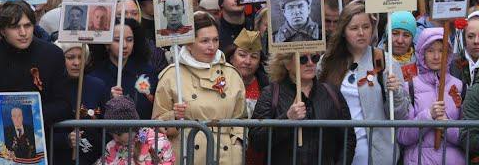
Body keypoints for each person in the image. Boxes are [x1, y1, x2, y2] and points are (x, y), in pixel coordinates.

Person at [0, 1, 71, 165]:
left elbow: (64, 104)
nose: (23, 32)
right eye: (15, 27)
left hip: (41, 148)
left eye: (28, 25)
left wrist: (30, 115)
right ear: (2, 30)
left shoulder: (52, 54)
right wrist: (4, 114)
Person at [317, 0, 407, 165]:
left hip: (377, 155)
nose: (361, 33)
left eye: (366, 27)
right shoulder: (326, 62)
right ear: (343, 31)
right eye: (354, 28)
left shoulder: (386, 62)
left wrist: (397, 94)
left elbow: (400, 115)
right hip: (337, 153)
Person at [153, 11, 247, 165]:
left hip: (225, 157)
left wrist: (237, 147)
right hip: (186, 156)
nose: (212, 46)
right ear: (189, 43)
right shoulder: (171, 76)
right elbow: (157, 126)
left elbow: (241, 119)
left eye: (215, 40)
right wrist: (174, 117)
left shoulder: (231, 74)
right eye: (205, 41)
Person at [248, 50, 353, 164]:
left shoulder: (331, 93)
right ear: (287, 64)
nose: (310, 63)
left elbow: (348, 138)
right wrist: (287, 119)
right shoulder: (271, 93)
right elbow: (256, 140)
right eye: (302, 59)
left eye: (315, 58)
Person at [398, 26, 464, 165]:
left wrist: (447, 126)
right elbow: (403, 136)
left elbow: (467, 136)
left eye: (442, 50)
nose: (436, 56)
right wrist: (428, 116)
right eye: (430, 51)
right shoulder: (409, 87)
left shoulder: (460, 87)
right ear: (422, 54)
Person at [89, 18, 158, 120]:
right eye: (117, 40)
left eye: (129, 40)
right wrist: (109, 100)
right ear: (107, 44)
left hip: (143, 133)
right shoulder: (95, 76)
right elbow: (92, 114)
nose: (124, 45)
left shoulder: (147, 72)